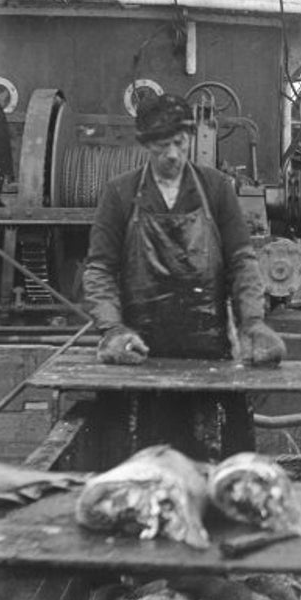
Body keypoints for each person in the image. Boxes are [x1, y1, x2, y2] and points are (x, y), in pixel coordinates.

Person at [83, 92, 285, 461]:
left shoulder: (216, 188)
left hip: (210, 352)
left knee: (222, 461)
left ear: (190, 137)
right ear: (144, 145)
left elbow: (242, 261)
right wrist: (111, 330)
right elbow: (98, 269)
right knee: (144, 462)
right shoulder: (120, 193)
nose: (172, 155)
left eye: (179, 143)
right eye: (162, 146)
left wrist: (253, 323)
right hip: (140, 356)